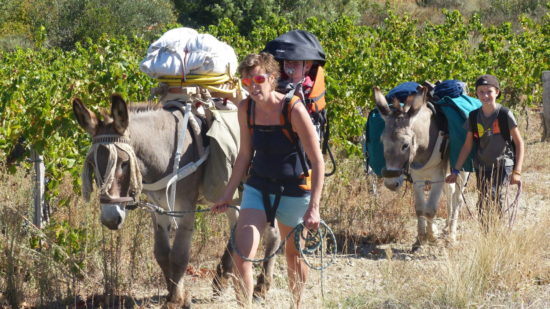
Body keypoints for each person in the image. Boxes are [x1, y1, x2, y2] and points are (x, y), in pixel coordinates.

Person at [212, 52, 325, 307]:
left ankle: (297, 304)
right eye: (246, 82)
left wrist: (313, 208)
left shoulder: (293, 108)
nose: (252, 86)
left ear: (272, 78)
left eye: (258, 79)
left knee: (294, 256)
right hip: (258, 187)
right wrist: (227, 195)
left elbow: (317, 161)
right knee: (242, 256)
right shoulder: (245, 109)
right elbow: (243, 155)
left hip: (294, 190)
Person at [445, 74, 524, 224]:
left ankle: (497, 232)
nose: (485, 95)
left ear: (497, 92)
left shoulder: (504, 114)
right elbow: (467, 145)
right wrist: (456, 170)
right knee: (482, 201)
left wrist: (517, 171)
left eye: (489, 91)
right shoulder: (474, 116)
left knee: (495, 197)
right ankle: (486, 234)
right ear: (476, 94)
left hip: (502, 164)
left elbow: (519, 143)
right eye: (481, 92)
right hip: (482, 165)